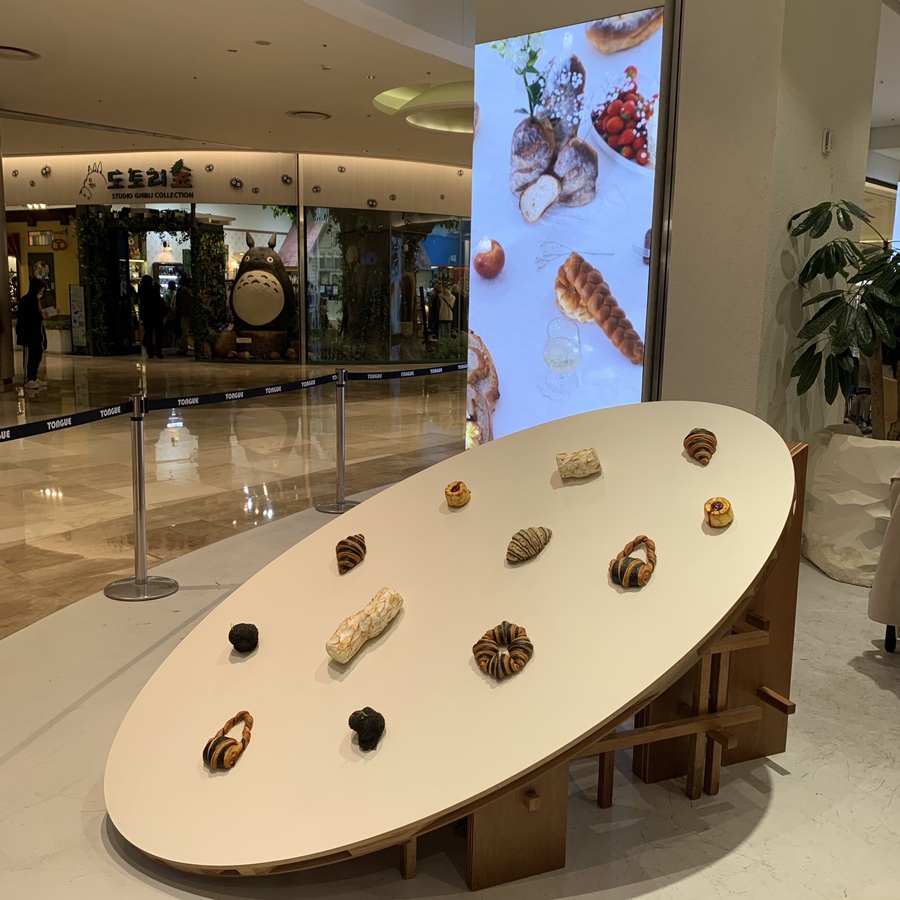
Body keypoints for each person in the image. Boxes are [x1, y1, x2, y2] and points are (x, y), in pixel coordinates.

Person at [15, 277, 49, 390]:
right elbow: (26, 318)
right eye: (40, 291)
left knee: (37, 355)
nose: (41, 294)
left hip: (38, 334)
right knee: (30, 357)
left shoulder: (36, 301)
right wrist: (39, 316)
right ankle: (28, 379)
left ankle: (34, 377)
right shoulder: (26, 301)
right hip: (29, 335)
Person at [138, 274, 165, 359]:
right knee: (159, 333)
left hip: (146, 315)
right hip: (156, 315)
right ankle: (158, 350)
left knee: (148, 333)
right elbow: (159, 301)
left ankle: (150, 352)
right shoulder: (153, 290)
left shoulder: (141, 291)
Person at [174, 274, 193, 356]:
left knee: (185, 332)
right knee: (185, 332)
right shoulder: (185, 293)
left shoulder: (183, 292)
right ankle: (183, 348)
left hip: (185, 314)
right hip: (186, 315)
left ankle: (183, 348)